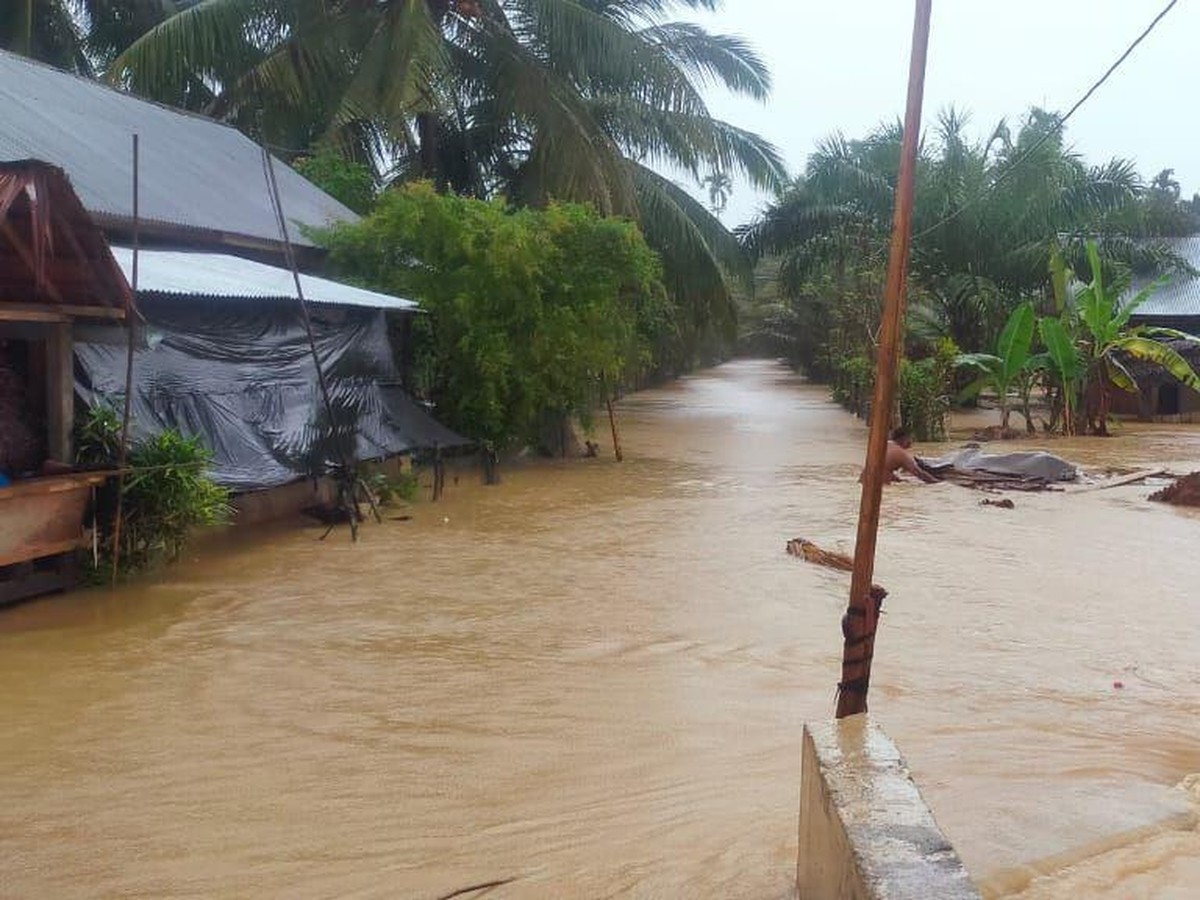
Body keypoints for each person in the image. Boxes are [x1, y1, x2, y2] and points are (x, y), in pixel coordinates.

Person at [860, 426, 939, 484]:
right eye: (910, 439)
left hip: (863, 480)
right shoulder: (901, 453)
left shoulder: (884, 445)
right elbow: (919, 473)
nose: (911, 443)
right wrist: (939, 484)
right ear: (904, 438)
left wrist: (899, 480)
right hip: (878, 486)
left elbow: (883, 469)